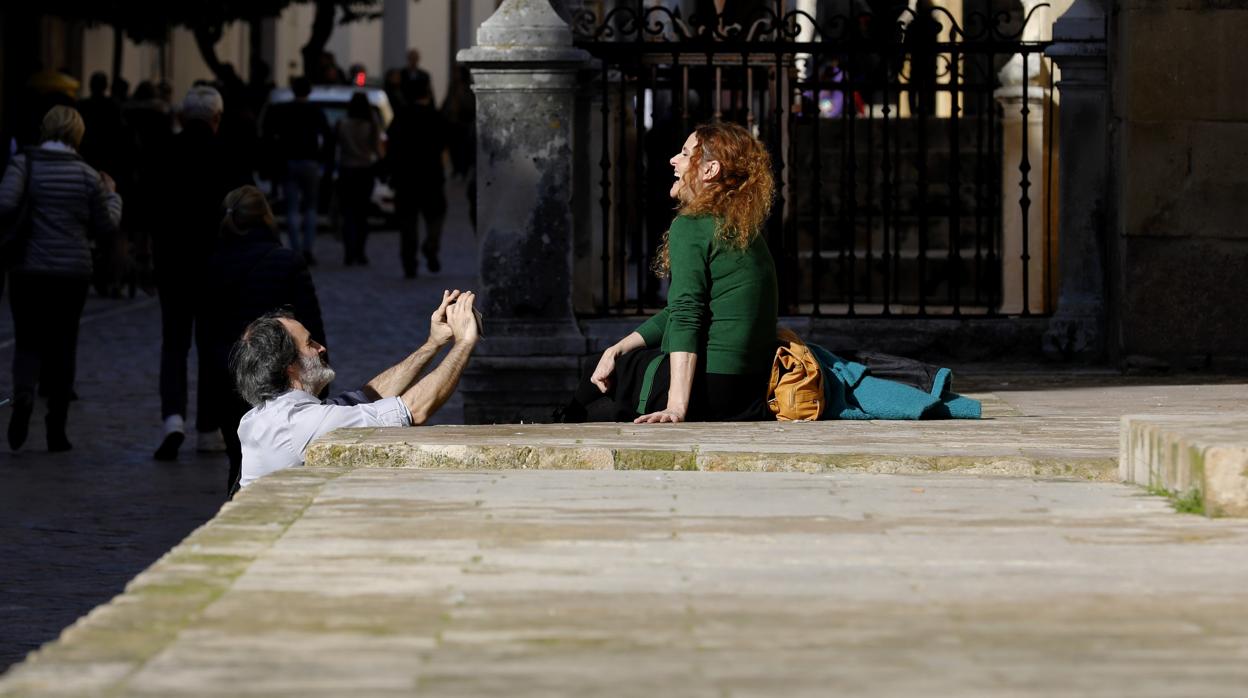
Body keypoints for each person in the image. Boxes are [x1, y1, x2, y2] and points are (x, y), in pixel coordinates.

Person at [558, 121, 777, 423]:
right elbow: (681, 309)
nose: (673, 160)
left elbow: (687, 313)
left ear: (710, 170)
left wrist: (676, 407)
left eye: (686, 154)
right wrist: (618, 347)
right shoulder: (743, 230)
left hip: (714, 384)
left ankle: (560, 421)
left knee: (598, 378)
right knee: (607, 376)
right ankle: (564, 418)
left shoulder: (691, 226)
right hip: (747, 389)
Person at [230, 291, 480, 490]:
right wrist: (465, 342)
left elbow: (367, 397)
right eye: (309, 343)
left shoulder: (271, 413)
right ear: (290, 367)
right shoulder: (299, 424)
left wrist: (433, 344)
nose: (321, 348)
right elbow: (413, 409)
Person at [0, 105, 122, 451]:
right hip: (72, 271)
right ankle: (57, 428)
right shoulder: (86, 175)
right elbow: (106, 225)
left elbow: (5, 203)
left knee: (27, 341)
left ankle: (23, 394)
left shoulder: (24, 163)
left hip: (29, 267)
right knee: (64, 344)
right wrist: (113, 195)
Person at [197, 186, 327, 496]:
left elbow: (204, 334)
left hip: (229, 375)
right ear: (266, 216)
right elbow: (311, 327)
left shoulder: (211, 263)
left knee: (238, 458)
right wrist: (321, 378)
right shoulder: (286, 261)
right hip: (281, 376)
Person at [152, 85, 248, 460]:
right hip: (216, 265)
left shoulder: (165, 151)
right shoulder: (228, 155)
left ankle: (172, 419)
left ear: (181, 117)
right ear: (216, 118)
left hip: (172, 262)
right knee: (213, 347)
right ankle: (208, 429)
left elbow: (152, 207)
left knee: (173, 344)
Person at [262, 76, 332, 264]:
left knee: (291, 208)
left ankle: (296, 248)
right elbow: (327, 137)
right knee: (310, 208)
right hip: (310, 162)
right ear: (309, 91)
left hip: (289, 162)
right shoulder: (316, 111)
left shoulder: (283, 110)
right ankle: (308, 248)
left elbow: (269, 134)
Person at [386, 78, 448, 277]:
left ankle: (409, 262)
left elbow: (392, 146)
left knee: (408, 223)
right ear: (427, 94)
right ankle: (431, 243)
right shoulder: (435, 116)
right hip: (431, 176)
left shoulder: (401, 116)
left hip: (406, 178)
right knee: (436, 216)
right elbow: (444, 146)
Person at [336, 92, 383, 265]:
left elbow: (337, 147)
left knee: (348, 213)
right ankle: (361, 252)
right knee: (362, 214)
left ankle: (349, 252)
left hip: (347, 170)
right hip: (365, 170)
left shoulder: (342, 124)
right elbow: (377, 150)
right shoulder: (371, 124)